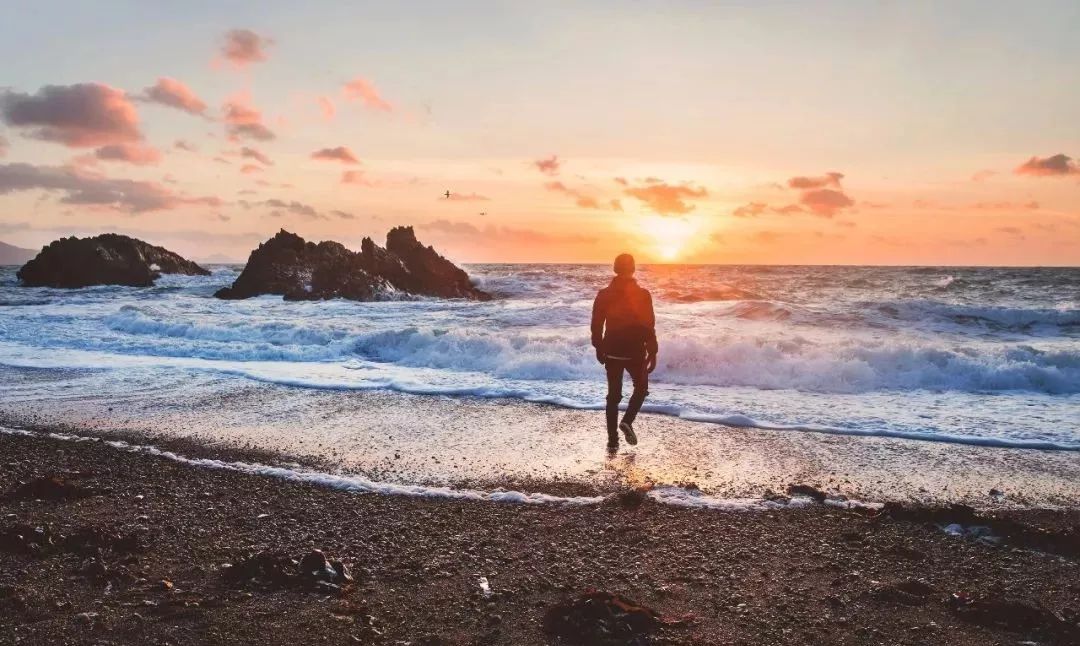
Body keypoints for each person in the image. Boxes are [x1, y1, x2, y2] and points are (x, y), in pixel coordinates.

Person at [591, 253, 658, 449]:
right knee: (641, 388)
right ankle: (627, 421)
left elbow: (596, 324)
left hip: (611, 349)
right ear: (633, 269)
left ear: (615, 268)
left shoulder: (603, 294)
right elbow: (648, 325)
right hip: (635, 351)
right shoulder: (643, 295)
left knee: (613, 396)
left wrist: (598, 347)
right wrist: (652, 350)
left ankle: (612, 440)